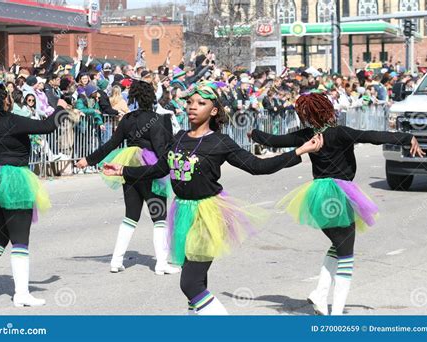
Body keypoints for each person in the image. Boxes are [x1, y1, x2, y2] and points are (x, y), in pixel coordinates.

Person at [102, 81, 323, 315]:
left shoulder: (219, 142)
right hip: (183, 213)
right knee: (198, 282)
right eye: (189, 102)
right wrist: (124, 171)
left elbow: (258, 166)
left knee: (190, 284)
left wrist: (298, 152)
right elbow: (158, 170)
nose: (192, 107)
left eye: (201, 103)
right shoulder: (177, 138)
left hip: (207, 215)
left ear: (214, 110)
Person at [248, 93, 425, 315]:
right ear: (327, 109)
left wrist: (253, 133)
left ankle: (320, 295)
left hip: (316, 196)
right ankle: (337, 312)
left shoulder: (306, 135)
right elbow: (372, 135)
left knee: (339, 244)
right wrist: (406, 137)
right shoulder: (340, 133)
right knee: (346, 254)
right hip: (339, 194)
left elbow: (273, 140)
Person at [0, 73, 69, 307]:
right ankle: (21, 294)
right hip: (15, 179)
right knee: (20, 240)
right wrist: (61, 108)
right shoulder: (13, 120)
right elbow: (48, 126)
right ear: (3, 100)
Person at [76, 80, 179, 276]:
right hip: (149, 168)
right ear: (151, 97)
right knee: (159, 217)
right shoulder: (157, 120)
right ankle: (161, 264)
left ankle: (116, 261)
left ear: (134, 97)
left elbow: (111, 145)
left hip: (128, 166)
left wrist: (88, 160)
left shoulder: (127, 119)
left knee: (131, 215)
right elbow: (160, 150)